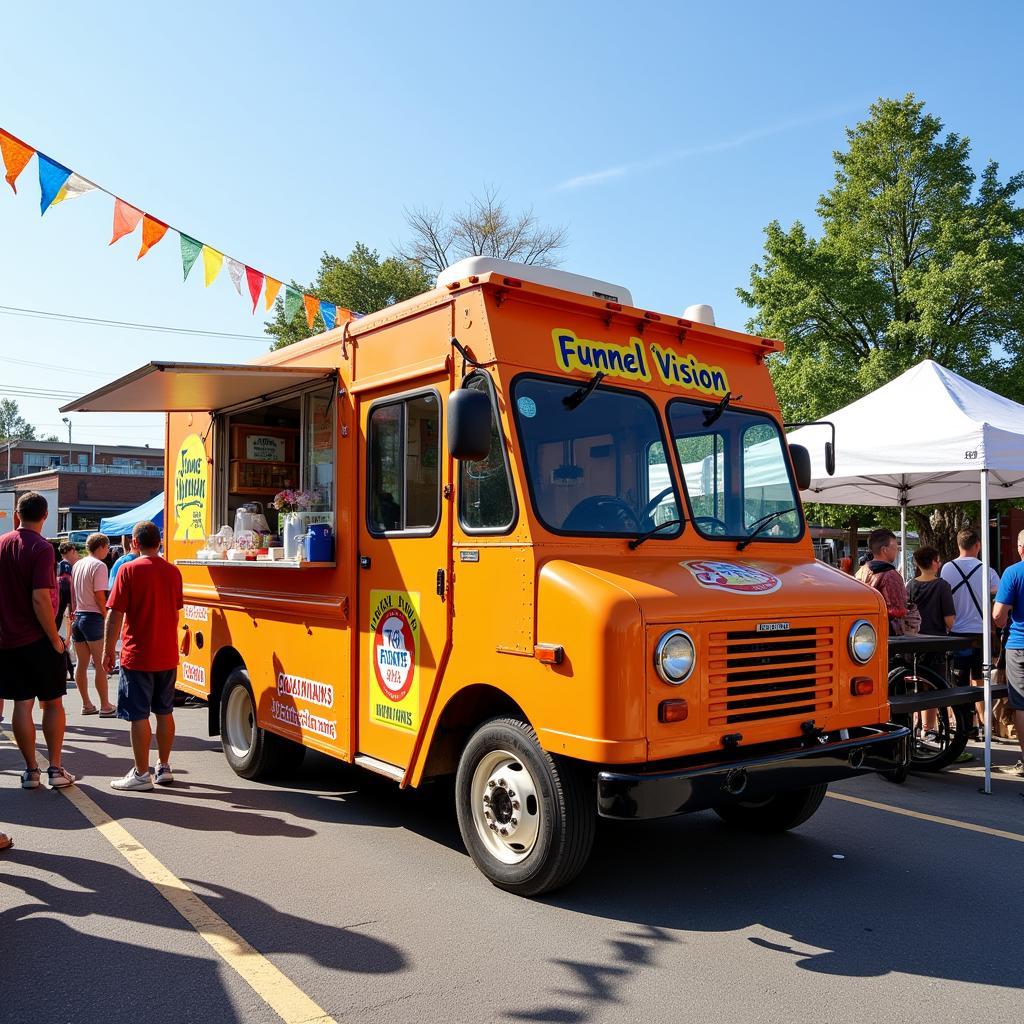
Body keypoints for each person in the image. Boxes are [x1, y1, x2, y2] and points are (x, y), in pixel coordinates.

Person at [0, 492, 76, 789]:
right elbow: (41, 599)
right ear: (45, 517)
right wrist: (54, 639)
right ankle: (55, 769)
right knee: (52, 703)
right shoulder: (43, 548)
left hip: (8, 639)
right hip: (37, 638)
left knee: (22, 703)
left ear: (17, 515)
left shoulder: (2, 544)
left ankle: (31, 771)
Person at [103, 520, 183, 791]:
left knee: (138, 715)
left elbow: (114, 616)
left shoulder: (128, 570)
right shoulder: (173, 572)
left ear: (134, 543)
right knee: (165, 712)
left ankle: (140, 773)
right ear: (159, 542)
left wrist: (107, 652)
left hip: (137, 654)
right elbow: (175, 611)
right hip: (166, 653)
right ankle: (164, 766)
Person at [940, 528, 1000, 734]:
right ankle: (983, 722)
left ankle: (965, 724)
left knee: (959, 680)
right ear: (978, 545)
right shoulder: (987, 570)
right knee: (981, 679)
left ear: (958, 545)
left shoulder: (947, 568)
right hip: (981, 633)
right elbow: (997, 591)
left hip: (955, 633)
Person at [71, 532, 116, 716]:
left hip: (79, 615)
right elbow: (100, 596)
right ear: (102, 547)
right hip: (93, 617)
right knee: (100, 664)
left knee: (81, 664)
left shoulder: (78, 564)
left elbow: (74, 595)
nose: (108, 551)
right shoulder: (99, 566)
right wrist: (107, 616)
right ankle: (105, 705)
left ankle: (87, 704)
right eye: (107, 547)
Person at [991, 530, 1024, 777]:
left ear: (1020, 547)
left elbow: (998, 615)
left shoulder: (1013, 573)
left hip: (1020, 644)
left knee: (1022, 705)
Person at [855, 528, 908, 634]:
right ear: (884, 549)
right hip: (887, 631)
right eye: (895, 547)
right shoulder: (891, 575)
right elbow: (897, 610)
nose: (897, 551)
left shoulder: (861, 571)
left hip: (863, 630)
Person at [906, 547, 955, 637]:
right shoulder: (943, 585)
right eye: (938, 561)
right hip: (936, 638)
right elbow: (949, 619)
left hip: (914, 637)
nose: (940, 564)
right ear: (933, 562)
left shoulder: (910, 585)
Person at [56, 541, 78, 680]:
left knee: (59, 633)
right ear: (71, 551)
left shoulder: (59, 566)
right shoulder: (71, 566)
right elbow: (70, 592)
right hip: (66, 601)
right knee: (62, 637)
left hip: (58, 604)